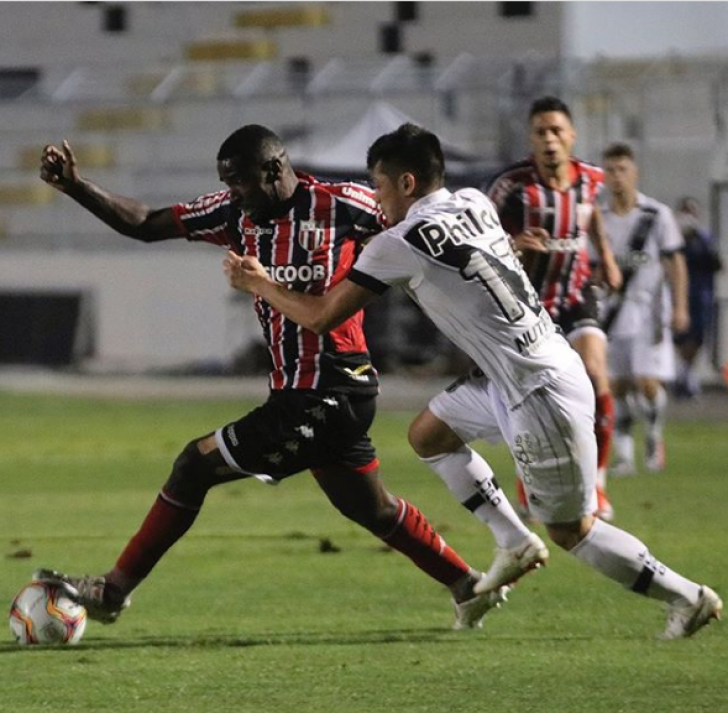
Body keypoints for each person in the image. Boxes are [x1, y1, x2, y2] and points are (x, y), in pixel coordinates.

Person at [225, 123, 722, 639]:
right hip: (524, 369)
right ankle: (512, 540)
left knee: (573, 531)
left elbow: (323, 315)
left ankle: (688, 598)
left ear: (408, 183)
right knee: (428, 435)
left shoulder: (397, 243)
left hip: (538, 390)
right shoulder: (474, 201)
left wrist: (258, 283)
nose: (376, 197)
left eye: (380, 185)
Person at [32, 126, 510, 631]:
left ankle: (112, 589)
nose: (233, 192)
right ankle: (467, 585)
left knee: (193, 466)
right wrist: (77, 187)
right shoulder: (234, 213)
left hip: (328, 389)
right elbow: (146, 224)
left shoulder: (344, 205)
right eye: (227, 183)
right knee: (372, 508)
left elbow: (418, 226)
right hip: (306, 396)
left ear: (274, 170)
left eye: (239, 181)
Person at [408, 96, 621, 522]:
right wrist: (516, 245)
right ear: (531, 138)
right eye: (541, 131)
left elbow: (591, 215)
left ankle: (595, 484)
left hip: (577, 292)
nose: (549, 139)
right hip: (530, 302)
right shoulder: (511, 186)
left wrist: (608, 258)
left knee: (597, 377)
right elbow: (479, 235)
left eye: (557, 131)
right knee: (523, 396)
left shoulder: (590, 179)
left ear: (571, 136)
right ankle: (534, 478)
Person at [600, 143, 690, 474]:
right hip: (611, 312)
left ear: (634, 172)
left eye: (622, 169)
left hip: (650, 312)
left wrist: (680, 306)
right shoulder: (600, 217)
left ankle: (654, 436)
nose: (616, 176)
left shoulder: (656, 215)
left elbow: (675, 261)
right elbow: (591, 265)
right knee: (616, 384)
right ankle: (624, 456)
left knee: (647, 381)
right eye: (610, 170)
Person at [673, 196, 722, 399]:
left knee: (697, 337)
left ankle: (687, 374)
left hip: (701, 295)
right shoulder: (674, 238)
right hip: (678, 294)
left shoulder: (705, 239)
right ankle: (684, 375)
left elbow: (717, 264)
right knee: (679, 336)